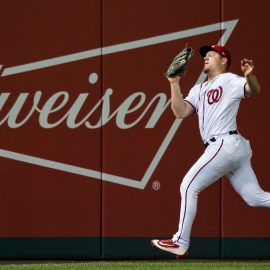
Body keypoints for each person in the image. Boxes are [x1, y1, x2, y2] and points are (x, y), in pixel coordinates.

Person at [151, 45, 270, 258]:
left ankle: (180, 241)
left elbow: (254, 90)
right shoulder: (198, 89)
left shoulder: (230, 80)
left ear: (224, 60)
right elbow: (180, 112)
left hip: (225, 143)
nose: (206, 57)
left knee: (188, 185)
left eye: (212, 54)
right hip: (232, 147)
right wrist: (174, 83)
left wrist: (250, 76)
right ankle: (180, 242)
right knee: (255, 197)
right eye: (205, 55)